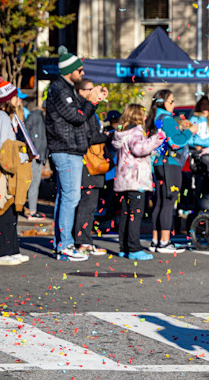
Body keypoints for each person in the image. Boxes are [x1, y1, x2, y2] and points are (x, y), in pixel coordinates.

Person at [45, 46, 95, 261]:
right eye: (80, 70)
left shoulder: (66, 89)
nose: (82, 74)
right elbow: (76, 116)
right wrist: (91, 102)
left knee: (64, 197)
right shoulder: (60, 90)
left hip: (69, 148)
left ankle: (61, 244)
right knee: (71, 197)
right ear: (70, 71)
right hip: (65, 148)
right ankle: (65, 245)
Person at [0, 78, 34, 266]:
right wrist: (25, 157)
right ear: (8, 100)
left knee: (12, 211)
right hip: (3, 172)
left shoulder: (8, 118)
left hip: (10, 171)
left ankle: (12, 249)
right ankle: (0, 253)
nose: (19, 101)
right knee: (3, 210)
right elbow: (4, 151)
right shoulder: (2, 118)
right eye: (16, 98)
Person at [112, 103, 166, 260]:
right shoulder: (136, 131)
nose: (145, 117)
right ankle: (134, 248)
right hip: (136, 179)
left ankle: (124, 247)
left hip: (124, 180)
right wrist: (158, 138)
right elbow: (139, 149)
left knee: (126, 213)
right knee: (135, 213)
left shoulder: (123, 132)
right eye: (143, 114)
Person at [146, 89, 193, 253]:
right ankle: (165, 242)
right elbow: (175, 142)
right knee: (168, 202)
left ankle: (155, 240)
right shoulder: (167, 119)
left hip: (158, 163)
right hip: (170, 163)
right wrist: (189, 132)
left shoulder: (154, 119)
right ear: (162, 103)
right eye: (171, 101)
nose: (174, 105)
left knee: (159, 202)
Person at [73, 80, 109, 256]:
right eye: (90, 90)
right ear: (81, 91)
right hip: (88, 163)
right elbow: (89, 136)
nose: (94, 92)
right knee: (86, 204)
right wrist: (106, 136)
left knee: (89, 204)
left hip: (91, 163)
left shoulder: (89, 109)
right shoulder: (82, 110)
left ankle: (84, 240)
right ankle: (82, 241)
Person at [22, 94, 49, 221]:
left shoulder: (44, 118)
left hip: (38, 155)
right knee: (32, 183)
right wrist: (32, 150)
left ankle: (31, 210)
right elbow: (26, 133)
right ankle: (32, 212)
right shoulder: (36, 116)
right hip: (33, 155)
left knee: (33, 183)